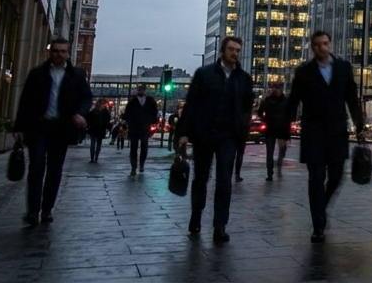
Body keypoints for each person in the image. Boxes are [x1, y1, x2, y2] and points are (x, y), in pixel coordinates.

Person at [286, 31, 365, 243]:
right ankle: (318, 225)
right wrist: (285, 130)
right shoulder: (304, 72)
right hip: (313, 133)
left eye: (326, 43)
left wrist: (360, 125)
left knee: (337, 176)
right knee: (316, 179)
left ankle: (321, 207)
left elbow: (351, 98)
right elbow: (293, 101)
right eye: (319, 45)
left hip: (337, 132)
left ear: (330, 44)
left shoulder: (343, 67)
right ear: (313, 48)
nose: (323, 47)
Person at [176, 36, 253, 244]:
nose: (235, 53)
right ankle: (196, 214)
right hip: (204, 135)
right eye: (231, 49)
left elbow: (247, 107)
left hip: (229, 137)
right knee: (200, 178)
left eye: (238, 50)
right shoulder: (205, 74)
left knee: (224, 182)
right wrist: (184, 132)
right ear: (222, 51)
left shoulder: (244, 79)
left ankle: (220, 225)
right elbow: (191, 104)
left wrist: (242, 129)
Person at [13, 37, 92, 226]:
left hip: (61, 129)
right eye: (56, 51)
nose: (59, 55)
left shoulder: (77, 75)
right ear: (50, 52)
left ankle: (47, 209)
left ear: (68, 53)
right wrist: (19, 127)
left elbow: (86, 98)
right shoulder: (37, 74)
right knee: (36, 168)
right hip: (39, 127)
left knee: (55, 171)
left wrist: (80, 114)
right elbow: (25, 102)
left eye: (63, 51)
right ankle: (33, 211)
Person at [122, 84, 159, 175]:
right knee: (133, 149)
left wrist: (152, 120)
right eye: (139, 90)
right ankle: (133, 168)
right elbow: (128, 112)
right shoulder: (133, 101)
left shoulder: (150, 100)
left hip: (144, 127)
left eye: (141, 90)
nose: (140, 92)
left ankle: (141, 164)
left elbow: (154, 111)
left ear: (144, 90)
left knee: (144, 148)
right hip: (134, 128)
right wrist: (128, 120)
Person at [257, 80, 290, 181]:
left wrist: (264, 119)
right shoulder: (284, 101)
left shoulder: (268, 100)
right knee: (274, 151)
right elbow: (290, 115)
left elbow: (259, 112)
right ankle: (272, 171)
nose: (276, 90)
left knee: (272, 152)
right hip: (278, 129)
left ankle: (271, 172)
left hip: (273, 128)